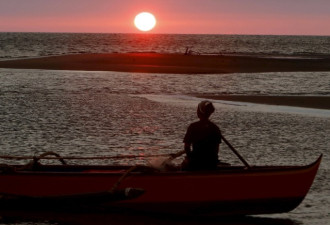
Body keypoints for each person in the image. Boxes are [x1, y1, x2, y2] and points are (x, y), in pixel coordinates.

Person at [182, 100, 222, 170]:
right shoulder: (215, 128)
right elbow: (216, 150)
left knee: (183, 165)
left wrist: (189, 159)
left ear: (199, 112)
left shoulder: (193, 126)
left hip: (196, 163)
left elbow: (187, 147)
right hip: (211, 163)